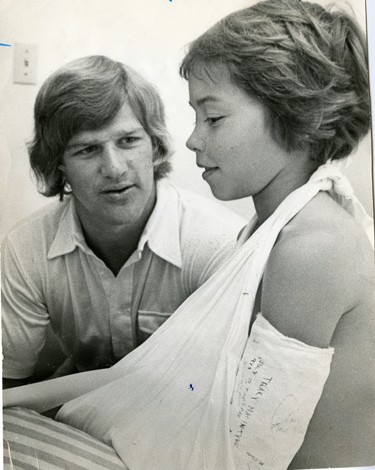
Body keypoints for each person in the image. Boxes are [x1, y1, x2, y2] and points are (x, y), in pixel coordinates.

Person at [3, 1, 375, 469]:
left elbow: (254, 455)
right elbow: (147, 376)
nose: (193, 140)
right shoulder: (271, 233)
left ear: (295, 115)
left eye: (213, 118)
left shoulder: (312, 245)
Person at [1, 55, 245, 389]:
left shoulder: (219, 243)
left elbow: (227, 393)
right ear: (59, 166)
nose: (114, 168)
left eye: (128, 141)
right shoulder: (27, 247)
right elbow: (11, 384)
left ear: (154, 146)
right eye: (87, 150)